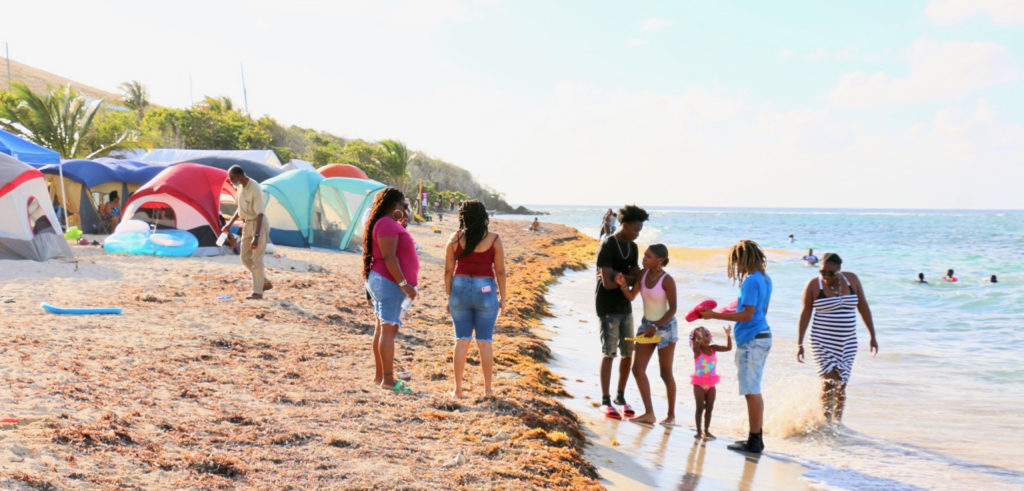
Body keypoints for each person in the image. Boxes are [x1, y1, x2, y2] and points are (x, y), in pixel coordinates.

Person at [700, 239, 773, 453]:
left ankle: (755, 441)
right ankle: (754, 438)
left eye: (736, 262)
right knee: (753, 389)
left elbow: (748, 314)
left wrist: (714, 314)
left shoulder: (751, 281)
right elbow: (762, 311)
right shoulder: (765, 279)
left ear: (743, 260)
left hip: (753, 340)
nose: (735, 267)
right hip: (761, 335)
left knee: (752, 391)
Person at [797, 253, 878, 424]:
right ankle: (826, 424)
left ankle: (837, 423)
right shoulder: (813, 285)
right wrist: (799, 343)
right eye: (822, 272)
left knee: (841, 384)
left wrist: (872, 335)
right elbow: (805, 314)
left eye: (830, 273)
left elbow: (863, 306)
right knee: (829, 383)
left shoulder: (851, 280)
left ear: (839, 269)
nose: (825, 276)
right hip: (822, 341)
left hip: (847, 342)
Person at [444, 200, 507, 398]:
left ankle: (458, 390)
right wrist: (503, 298)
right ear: (484, 217)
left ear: (463, 216)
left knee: (461, 340)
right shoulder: (494, 239)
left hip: (460, 288)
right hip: (485, 290)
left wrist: (449, 296)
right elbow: (501, 272)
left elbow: (448, 271)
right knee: (485, 341)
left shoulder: (454, 239)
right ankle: (488, 390)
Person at [596, 205, 649, 419]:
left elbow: (634, 278)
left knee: (628, 351)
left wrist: (623, 278)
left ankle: (620, 396)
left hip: (625, 306)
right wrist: (625, 278)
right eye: (636, 229)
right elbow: (608, 284)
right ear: (624, 225)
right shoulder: (608, 244)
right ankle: (605, 400)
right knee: (609, 352)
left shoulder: (633, 248)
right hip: (607, 306)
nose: (638, 233)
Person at [615, 244, 678, 426]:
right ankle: (649, 413)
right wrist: (622, 285)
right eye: (644, 255)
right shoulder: (642, 275)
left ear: (659, 260)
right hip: (646, 325)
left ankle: (671, 416)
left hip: (665, 327)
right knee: (638, 369)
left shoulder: (667, 280)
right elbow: (631, 296)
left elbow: (673, 308)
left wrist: (657, 326)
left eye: (648, 257)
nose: (644, 259)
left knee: (665, 373)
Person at [364, 188, 418, 393]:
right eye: (403, 204)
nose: (404, 208)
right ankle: (388, 379)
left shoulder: (386, 223)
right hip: (388, 282)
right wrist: (404, 284)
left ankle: (380, 376)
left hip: (383, 280)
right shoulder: (386, 224)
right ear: (394, 204)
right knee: (387, 330)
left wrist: (401, 223)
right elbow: (389, 257)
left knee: (381, 329)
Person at [222, 167, 272, 300]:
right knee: (244, 257)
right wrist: (229, 224)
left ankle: (257, 292)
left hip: (258, 224)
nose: (231, 181)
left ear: (239, 175)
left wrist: (256, 237)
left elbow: (260, 214)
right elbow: (239, 209)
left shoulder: (255, 188)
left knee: (257, 259)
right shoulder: (240, 187)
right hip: (247, 224)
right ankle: (264, 282)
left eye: (232, 178)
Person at [688, 325, 732, 439]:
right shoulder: (697, 351)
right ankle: (698, 431)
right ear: (695, 340)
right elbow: (696, 345)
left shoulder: (713, 348)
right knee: (699, 407)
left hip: (711, 384)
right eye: (701, 336)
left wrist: (728, 335)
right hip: (699, 384)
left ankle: (706, 430)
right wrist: (698, 339)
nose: (705, 338)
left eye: (707, 335)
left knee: (710, 407)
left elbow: (728, 348)